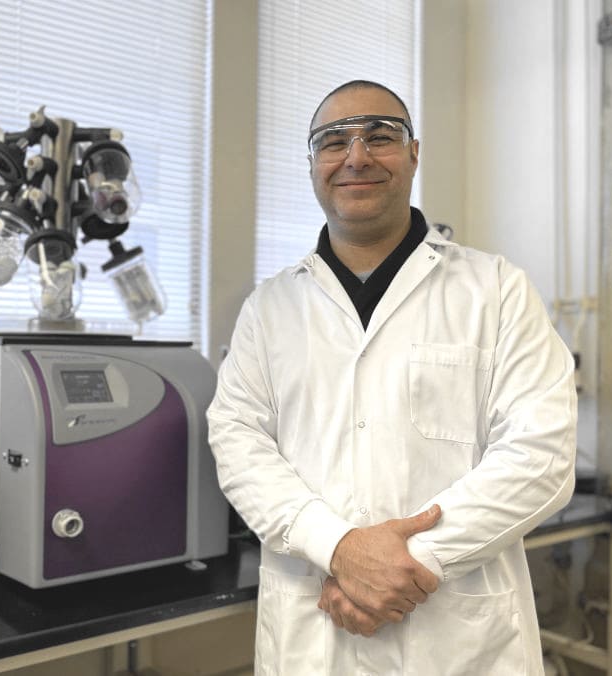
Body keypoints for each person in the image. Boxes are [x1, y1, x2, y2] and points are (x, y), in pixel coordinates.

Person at [206, 79, 577, 675]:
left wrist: (410, 562)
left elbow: (542, 456)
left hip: (458, 640)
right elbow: (238, 444)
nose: (356, 156)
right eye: (333, 142)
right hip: (314, 633)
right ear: (312, 164)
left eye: (380, 136)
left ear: (413, 153)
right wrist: (338, 549)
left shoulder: (497, 289)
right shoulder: (268, 309)